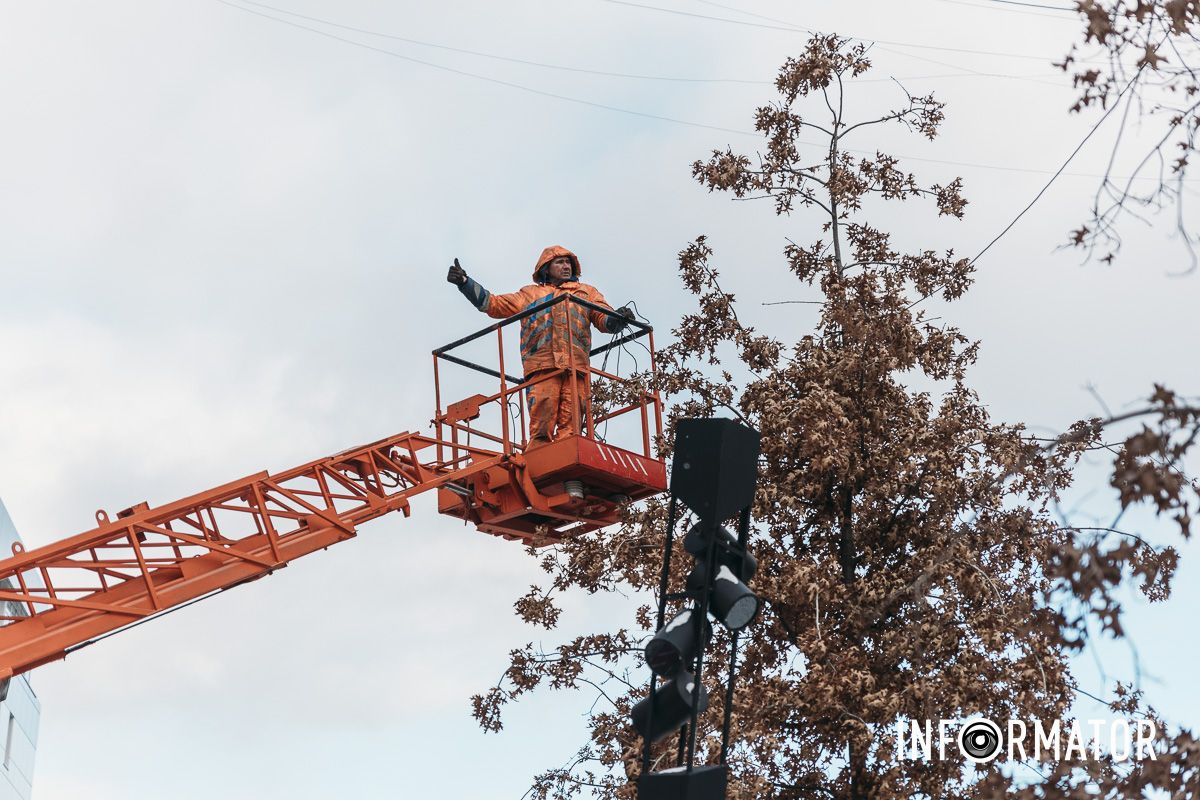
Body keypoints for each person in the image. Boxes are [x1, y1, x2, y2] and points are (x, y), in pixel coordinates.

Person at [447, 245, 634, 448]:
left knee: (572, 427)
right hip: (541, 367)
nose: (566, 266)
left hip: (576, 369)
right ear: (546, 267)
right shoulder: (529, 295)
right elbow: (494, 304)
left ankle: (567, 456)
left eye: (568, 263)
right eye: (560, 262)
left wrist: (617, 318)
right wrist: (465, 283)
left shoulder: (586, 293)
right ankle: (539, 454)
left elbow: (602, 317)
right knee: (541, 425)